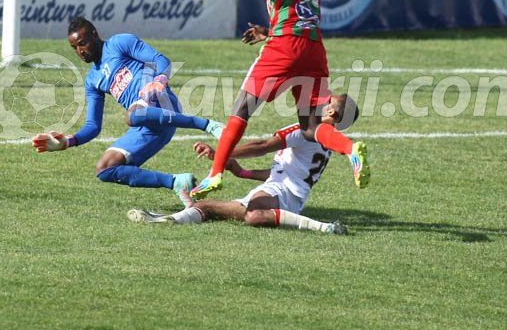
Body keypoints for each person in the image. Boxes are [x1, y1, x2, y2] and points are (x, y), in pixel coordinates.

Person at [191, 0, 370, 200]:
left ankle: (215, 173)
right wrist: (267, 33)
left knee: (242, 108)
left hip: (286, 46)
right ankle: (350, 149)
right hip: (314, 49)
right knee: (310, 126)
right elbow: (298, 17)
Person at [32, 16, 224, 207]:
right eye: (74, 48)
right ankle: (177, 182)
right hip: (147, 123)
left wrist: (160, 80)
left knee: (132, 115)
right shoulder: (92, 80)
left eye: (82, 44)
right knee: (105, 168)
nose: (80, 51)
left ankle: (208, 125)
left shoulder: (119, 43)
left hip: (161, 103)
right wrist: (68, 142)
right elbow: (93, 126)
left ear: (94, 34)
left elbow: (160, 59)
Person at [127, 94, 360, 235]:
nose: (322, 101)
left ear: (331, 111)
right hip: (286, 196)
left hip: (280, 194)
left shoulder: (308, 130)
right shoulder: (326, 141)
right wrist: (243, 172)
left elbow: (262, 145)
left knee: (254, 216)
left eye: (328, 101)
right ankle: (160, 219)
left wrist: (220, 155)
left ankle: (324, 227)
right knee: (207, 207)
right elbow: (287, 172)